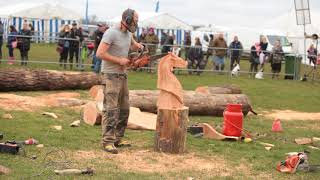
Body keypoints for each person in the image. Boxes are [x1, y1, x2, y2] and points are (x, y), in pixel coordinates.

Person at [96, 9, 143, 154]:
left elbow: (133, 45)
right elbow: (100, 53)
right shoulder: (111, 32)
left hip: (122, 75)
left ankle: (117, 138)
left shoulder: (128, 33)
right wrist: (119, 60)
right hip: (110, 75)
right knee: (111, 109)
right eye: (135, 20)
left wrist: (140, 48)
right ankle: (108, 142)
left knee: (124, 109)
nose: (136, 23)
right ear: (128, 19)